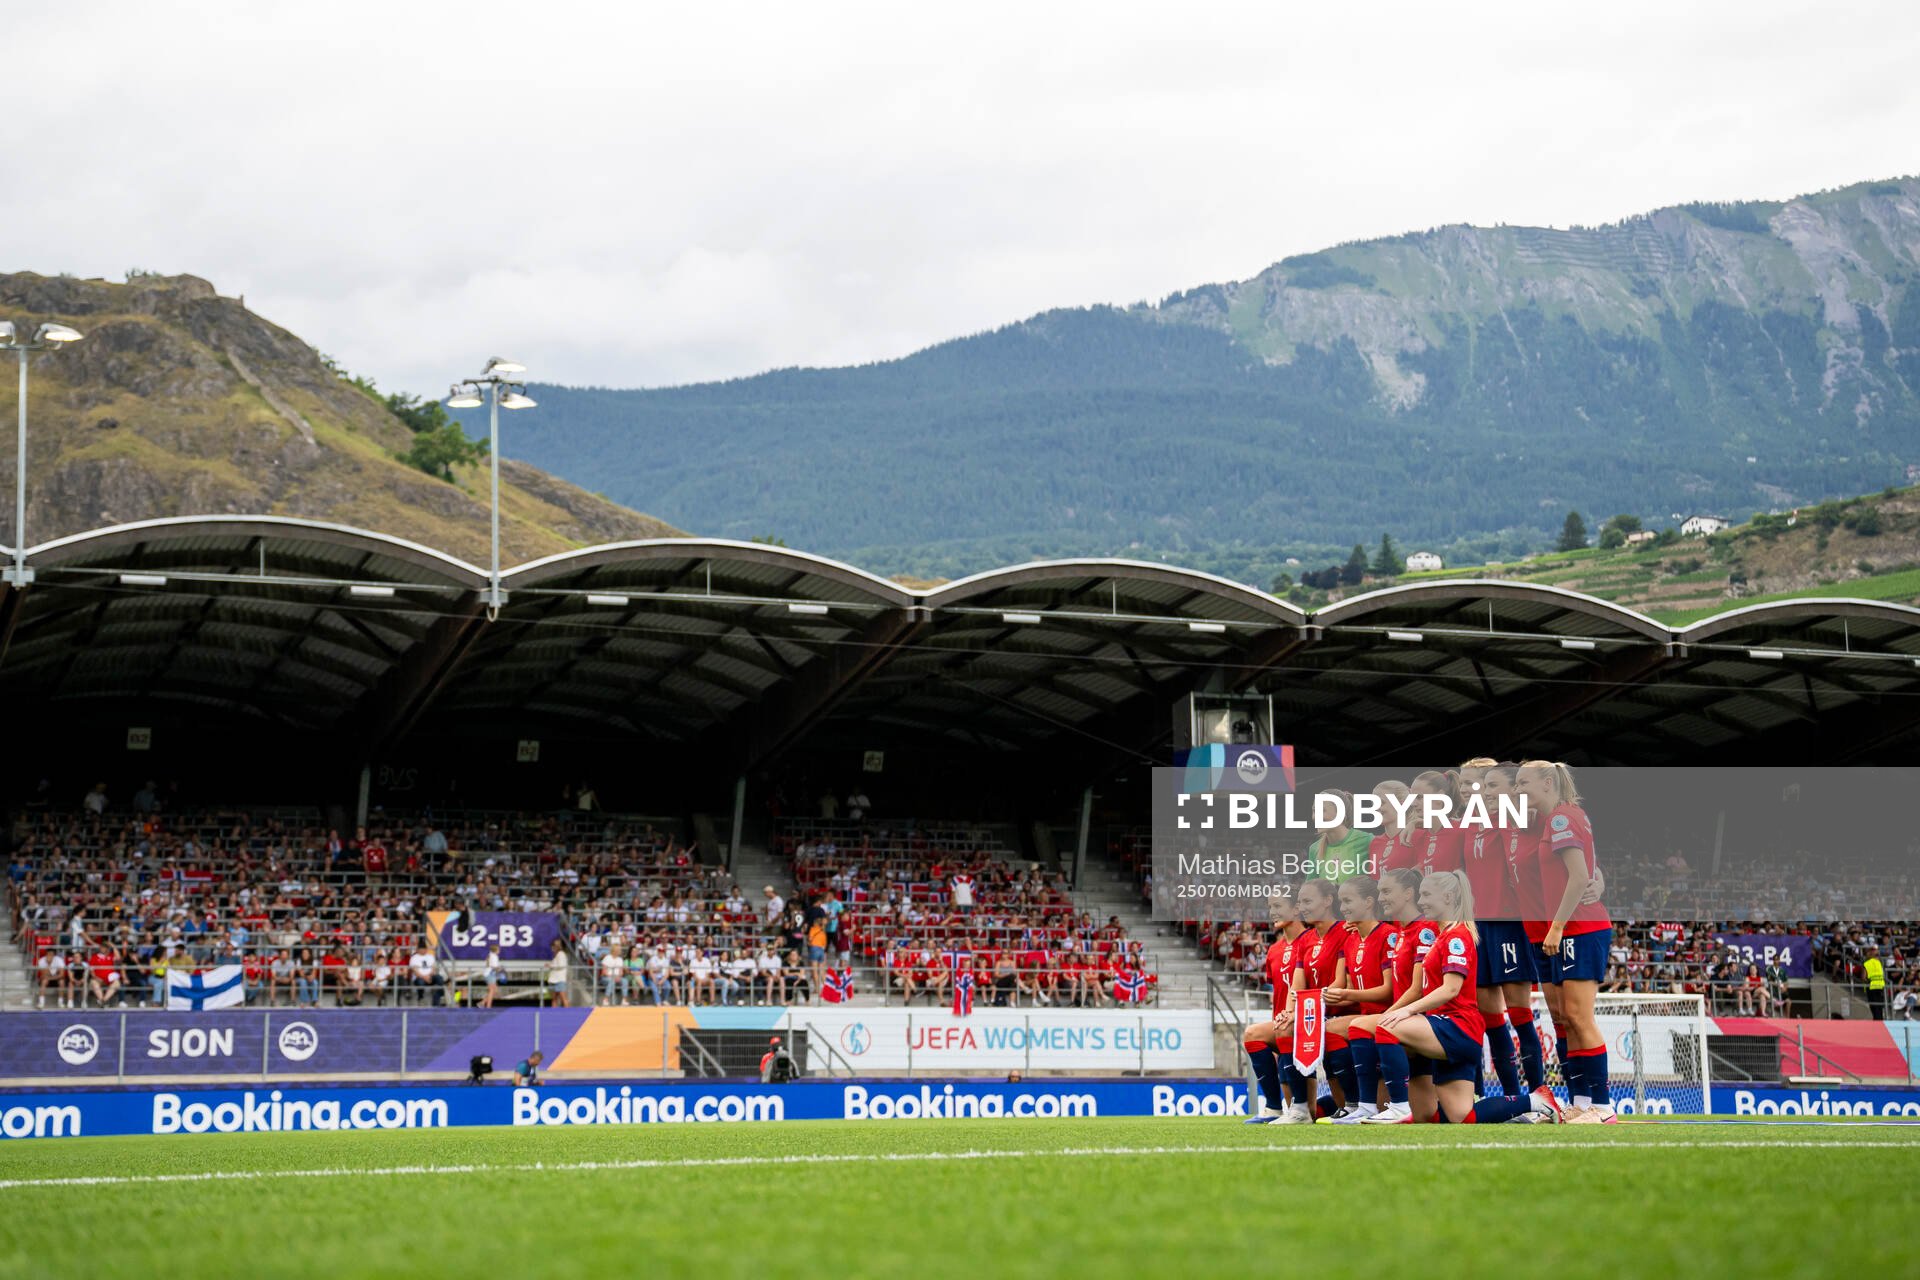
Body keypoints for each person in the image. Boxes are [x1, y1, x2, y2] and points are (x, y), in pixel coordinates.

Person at [1373, 871, 1559, 1124]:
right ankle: (1536, 1101)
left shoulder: (1456, 936)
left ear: (1448, 897)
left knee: (1386, 1029)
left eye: (1427, 894)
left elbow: (1451, 989)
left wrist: (1406, 1011)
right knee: (1462, 1116)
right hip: (1450, 1029)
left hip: (1457, 1027)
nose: (1421, 900)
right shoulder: (1444, 935)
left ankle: (1396, 1105)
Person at [1518, 760, 1614, 1122]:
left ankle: (1602, 1108)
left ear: (1547, 782)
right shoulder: (1556, 819)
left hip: (1579, 928)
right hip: (1568, 928)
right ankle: (1584, 1103)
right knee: (1566, 1019)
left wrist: (1556, 926)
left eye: (1524, 782)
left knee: (1578, 1016)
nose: (1519, 789)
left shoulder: (1562, 818)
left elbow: (1578, 877)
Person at [1321, 875, 1391, 1122]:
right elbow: (1348, 987)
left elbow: (1389, 991)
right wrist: (1315, 1001)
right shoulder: (1351, 940)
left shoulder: (1387, 934)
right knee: (1325, 1029)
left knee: (1398, 1112)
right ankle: (1351, 1105)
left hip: (1389, 1016)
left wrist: (1347, 994)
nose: (1343, 907)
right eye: (1341, 901)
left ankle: (1360, 1104)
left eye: (1348, 900)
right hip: (1366, 1018)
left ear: (1369, 902)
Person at [1864, 945, 1888, 1020]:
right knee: (1879, 1006)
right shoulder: (1879, 962)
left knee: (1874, 1006)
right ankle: (1880, 1021)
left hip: (1871, 986)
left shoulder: (1866, 963)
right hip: (1880, 986)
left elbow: (1863, 977)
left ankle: (1877, 1021)